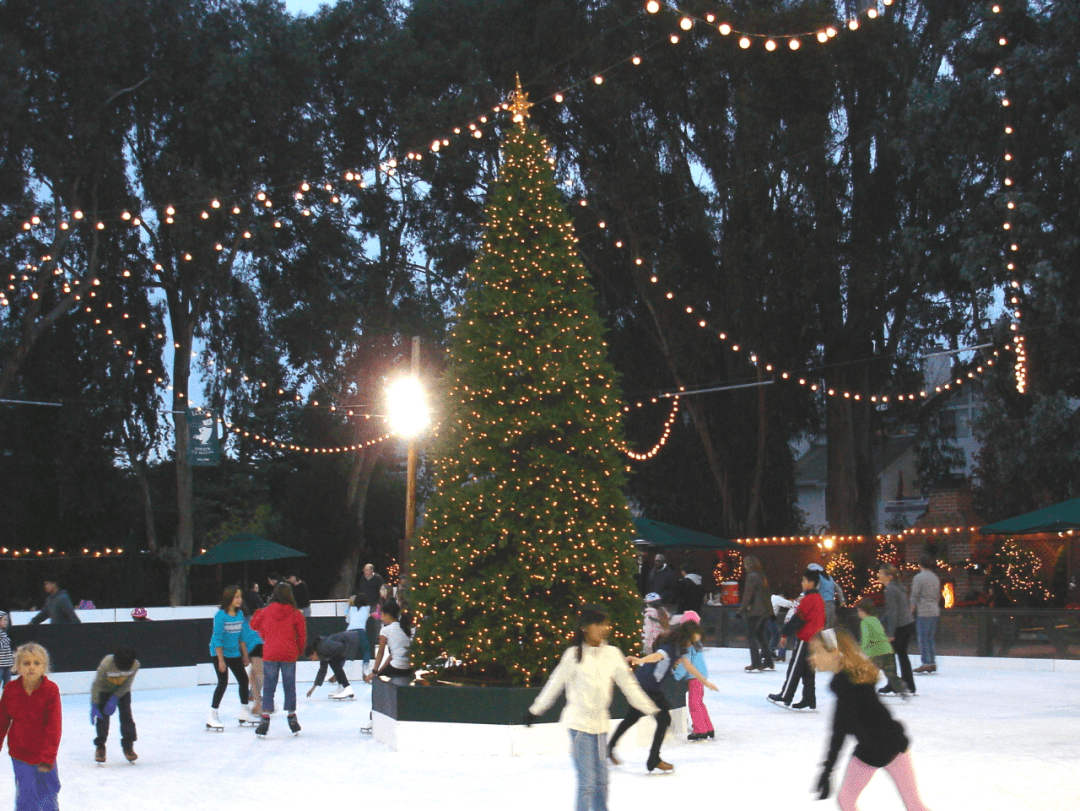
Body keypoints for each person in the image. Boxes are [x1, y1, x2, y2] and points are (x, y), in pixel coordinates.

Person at [524, 606, 659, 810]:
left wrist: (651, 709)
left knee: (602, 782)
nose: (605, 628)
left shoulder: (613, 654)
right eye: (599, 624)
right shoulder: (573, 655)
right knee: (588, 783)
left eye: (606, 623)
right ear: (585, 627)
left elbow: (630, 686)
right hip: (578, 726)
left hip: (600, 726)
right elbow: (555, 684)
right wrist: (535, 710)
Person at [809, 628, 932, 811]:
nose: (812, 658)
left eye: (817, 651)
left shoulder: (854, 690)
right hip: (871, 752)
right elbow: (838, 734)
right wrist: (827, 773)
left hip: (892, 749)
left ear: (836, 654)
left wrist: (827, 772)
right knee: (845, 800)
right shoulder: (844, 687)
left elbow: (840, 734)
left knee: (914, 805)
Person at [607, 621, 681, 773]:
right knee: (664, 719)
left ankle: (610, 747)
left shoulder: (668, 654)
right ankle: (654, 758)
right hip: (647, 688)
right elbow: (657, 660)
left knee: (632, 718)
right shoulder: (666, 652)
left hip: (641, 686)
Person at [0, 643, 62, 810]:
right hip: (19, 753)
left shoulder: (51, 690)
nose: (31, 667)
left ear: (44, 666)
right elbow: (2, 721)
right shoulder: (11, 689)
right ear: (18, 667)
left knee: (48, 794)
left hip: (44, 754)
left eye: (37, 663)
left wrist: (48, 757)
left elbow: (54, 726)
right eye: (26, 663)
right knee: (26, 797)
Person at [250, 583, 306, 737]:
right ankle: (291, 716)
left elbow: (253, 624)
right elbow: (301, 635)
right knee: (289, 685)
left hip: (271, 652)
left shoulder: (266, 611)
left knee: (269, 686)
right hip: (289, 653)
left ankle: (265, 718)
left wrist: (265, 634)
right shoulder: (296, 613)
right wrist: (299, 651)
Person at [768, 569, 825, 710]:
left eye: (804, 581)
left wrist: (785, 633)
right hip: (815, 639)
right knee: (808, 671)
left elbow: (798, 618)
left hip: (805, 638)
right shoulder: (819, 599)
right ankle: (809, 699)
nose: (802, 583)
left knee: (795, 668)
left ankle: (786, 695)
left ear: (811, 583)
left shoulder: (809, 599)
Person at [207, 586, 257, 731]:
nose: (240, 600)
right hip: (218, 652)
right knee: (223, 682)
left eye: (240, 597)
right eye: (236, 597)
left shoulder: (240, 614)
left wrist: (245, 655)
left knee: (243, 679)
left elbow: (241, 636)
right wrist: (221, 660)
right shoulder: (220, 615)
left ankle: (244, 712)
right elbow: (217, 639)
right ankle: (212, 714)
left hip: (234, 652)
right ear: (229, 598)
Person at [670, 613, 718, 741]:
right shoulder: (697, 645)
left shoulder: (687, 646)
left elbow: (686, 665)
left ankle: (700, 729)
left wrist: (676, 674)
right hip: (700, 676)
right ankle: (707, 727)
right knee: (699, 703)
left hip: (694, 678)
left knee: (694, 704)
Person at [90, 645, 140, 763]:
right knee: (102, 719)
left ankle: (128, 746)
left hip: (122, 692)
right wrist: (95, 704)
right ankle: (100, 746)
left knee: (126, 716)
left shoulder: (135, 665)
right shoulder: (107, 664)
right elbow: (97, 684)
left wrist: (114, 698)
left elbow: (127, 685)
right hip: (104, 691)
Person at [856, 598, 907, 697]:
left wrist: (861, 650)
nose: (858, 613)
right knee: (890, 673)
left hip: (876, 652)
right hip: (887, 650)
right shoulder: (875, 620)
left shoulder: (865, 622)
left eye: (858, 611)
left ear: (863, 611)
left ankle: (865, 691)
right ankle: (902, 688)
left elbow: (866, 638)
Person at [878, 564, 916, 695]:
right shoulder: (899, 587)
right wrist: (881, 622)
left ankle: (894, 684)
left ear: (888, 576)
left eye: (881, 573)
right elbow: (892, 611)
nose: (878, 575)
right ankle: (909, 684)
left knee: (889, 656)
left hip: (900, 627)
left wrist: (890, 633)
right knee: (902, 655)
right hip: (908, 624)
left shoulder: (890, 590)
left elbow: (893, 612)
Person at [737, 555, 774, 673]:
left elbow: (748, 594)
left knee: (751, 635)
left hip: (755, 611)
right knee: (760, 634)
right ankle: (768, 660)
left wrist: (741, 610)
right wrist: (770, 611)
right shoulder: (762, 576)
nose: (744, 566)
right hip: (764, 610)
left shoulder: (751, 577)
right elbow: (767, 595)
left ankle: (756, 662)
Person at [305, 631, 368, 699]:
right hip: (347, 643)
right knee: (332, 661)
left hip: (352, 640)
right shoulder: (321, 652)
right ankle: (341, 687)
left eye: (311, 658)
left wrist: (330, 657)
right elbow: (322, 671)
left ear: (313, 652)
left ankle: (347, 688)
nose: (313, 660)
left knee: (333, 662)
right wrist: (313, 688)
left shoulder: (323, 647)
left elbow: (340, 646)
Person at [363, 600, 414, 682]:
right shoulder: (405, 628)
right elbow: (393, 655)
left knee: (378, 682)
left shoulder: (386, 630)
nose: (381, 618)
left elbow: (380, 652)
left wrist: (374, 672)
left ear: (387, 615)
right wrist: (379, 672)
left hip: (397, 667)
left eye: (382, 615)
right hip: (409, 667)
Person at [910, 555, 941, 674]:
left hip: (924, 611)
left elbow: (914, 595)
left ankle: (926, 662)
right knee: (930, 638)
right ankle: (932, 661)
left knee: (923, 638)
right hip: (934, 611)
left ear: (920, 565)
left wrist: (911, 611)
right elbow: (938, 596)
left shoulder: (918, 578)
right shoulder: (935, 577)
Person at [809, 563, 844, 628]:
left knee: (820, 627)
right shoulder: (830, 578)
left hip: (822, 605)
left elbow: (815, 590)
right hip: (831, 604)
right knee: (829, 628)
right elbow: (838, 589)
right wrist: (842, 600)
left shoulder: (817, 578)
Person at [770, 589, 795, 663]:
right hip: (770, 618)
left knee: (780, 637)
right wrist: (793, 602)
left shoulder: (771, 597)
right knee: (776, 635)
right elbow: (788, 604)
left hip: (765, 618)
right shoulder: (778, 598)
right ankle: (771, 651)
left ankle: (778, 655)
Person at [0, 613, 13, 686]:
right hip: (1, 664)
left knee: (8, 684)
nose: (6, 622)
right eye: (4, 620)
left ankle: (6, 696)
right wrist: (5, 641)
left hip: (7, 663)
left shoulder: (4, 633)